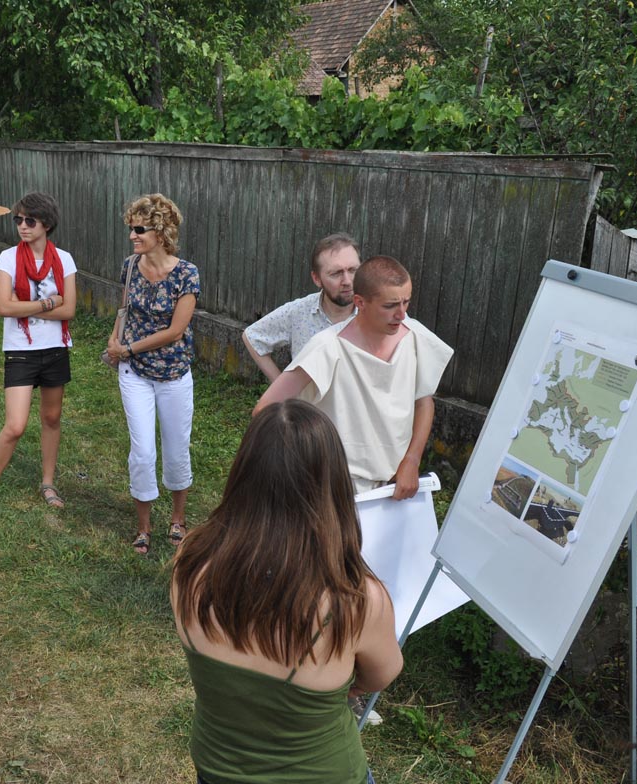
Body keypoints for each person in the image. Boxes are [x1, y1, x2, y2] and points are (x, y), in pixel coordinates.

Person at [171, 399, 403, 784]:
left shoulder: (189, 561)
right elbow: (382, 674)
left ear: (244, 474)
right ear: (333, 488)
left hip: (215, 770)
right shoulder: (357, 599)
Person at [254, 256, 453, 500]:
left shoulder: (415, 338)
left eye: (406, 302)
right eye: (390, 306)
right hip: (332, 484)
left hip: (394, 485)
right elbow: (265, 408)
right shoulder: (328, 347)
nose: (401, 314)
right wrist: (306, 465)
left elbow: (424, 402)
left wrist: (411, 461)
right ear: (360, 302)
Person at [0, 193, 77, 522]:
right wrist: (47, 304)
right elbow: (4, 307)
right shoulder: (7, 259)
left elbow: (70, 309)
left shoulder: (65, 260)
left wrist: (24, 304)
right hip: (20, 349)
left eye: (29, 220)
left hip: (55, 349)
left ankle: (48, 483)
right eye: (17, 220)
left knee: (51, 419)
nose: (22, 226)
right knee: (15, 426)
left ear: (46, 224)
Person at [106, 193, 199, 555]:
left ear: (160, 232)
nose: (132, 235)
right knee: (142, 451)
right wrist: (115, 338)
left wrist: (127, 347)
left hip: (174, 373)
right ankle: (144, 526)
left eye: (139, 229)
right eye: (131, 228)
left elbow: (176, 331)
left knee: (176, 450)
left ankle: (177, 519)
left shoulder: (186, 274)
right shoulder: (131, 266)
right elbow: (124, 307)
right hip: (135, 373)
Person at [242, 233, 360, 382]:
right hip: (310, 405)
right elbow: (252, 336)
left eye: (353, 270)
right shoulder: (299, 311)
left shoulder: (375, 312)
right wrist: (282, 389)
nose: (347, 281)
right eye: (336, 273)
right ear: (317, 279)